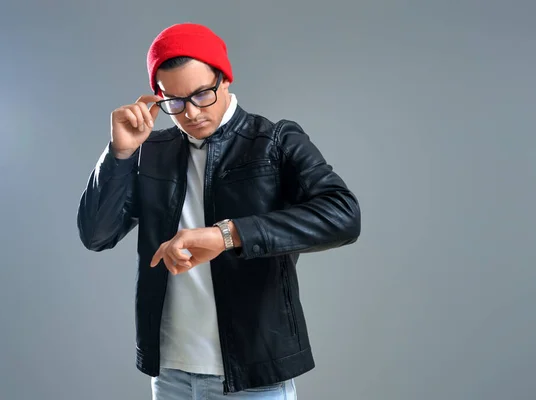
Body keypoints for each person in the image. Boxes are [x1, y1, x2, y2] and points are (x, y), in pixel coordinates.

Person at [77, 22, 361, 399]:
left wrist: (228, 235)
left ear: (224, 80)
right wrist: (120, 154)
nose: (190, 113)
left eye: (201, 95)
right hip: (171, 372)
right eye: (173, 101)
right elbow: (97, 234)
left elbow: (343, 215)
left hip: (252, 373)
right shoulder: (152, 151)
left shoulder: (273, 142)